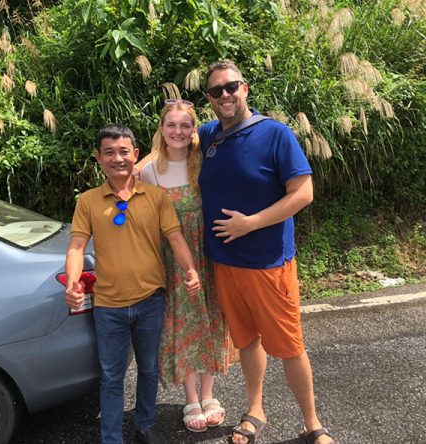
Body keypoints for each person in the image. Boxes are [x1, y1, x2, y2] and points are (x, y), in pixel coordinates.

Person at [197, 60, 334, 444]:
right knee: (246, 342)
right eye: (216, 91)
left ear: (245, 89)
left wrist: (251, 223)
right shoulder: (208, 136)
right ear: (210, 99)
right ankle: (255, 409)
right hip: (224, 263)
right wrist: (126, 174)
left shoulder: (275, 134)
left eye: (231, 87)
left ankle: (312, 423)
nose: (225, 95)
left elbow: (303, 193)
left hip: (268, 264)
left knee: (289, 347)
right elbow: (167, 147)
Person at [65, 124, 201, 444]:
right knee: (112, 377)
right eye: (109, 152)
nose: (118, 158)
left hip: (150, 300)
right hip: (108, 306)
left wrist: (190, 270)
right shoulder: (88, 201)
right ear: (98, 158)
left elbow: (175, 237)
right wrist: (73, 284)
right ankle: (111, 437)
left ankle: (145, 425)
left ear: (135, 154)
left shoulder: (156, 197)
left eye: (124, 151)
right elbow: (76, 246)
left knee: (149, 370)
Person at [139, 100, 232, 433]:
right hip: (173, 257)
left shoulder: (204, 163)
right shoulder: (149, 171)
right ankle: (191, 397)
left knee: (211, 317)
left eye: (185, 125)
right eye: (171, 125)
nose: (177, 131)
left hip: (208, 252)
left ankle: (209, 394)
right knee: (181, 322)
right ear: (162, 129)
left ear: (194, 130)